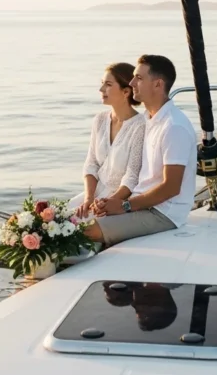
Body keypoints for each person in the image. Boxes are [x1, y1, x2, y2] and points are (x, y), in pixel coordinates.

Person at [85, 54, 198, 247]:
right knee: (71, 219)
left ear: (157, 84)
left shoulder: (173, 126)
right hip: (142, 203)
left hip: (163, 213)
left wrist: (125, 206)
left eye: (138, 78)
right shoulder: (149, 119)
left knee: (87, 230)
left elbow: (171, 187)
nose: (131, 82)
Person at [70, 63, 146, 217]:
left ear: (126, 91)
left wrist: (107, 204)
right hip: (93, 195)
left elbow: (132, 178)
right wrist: (88, 198)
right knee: (57, 219)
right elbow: (91, 165)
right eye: (102, 83)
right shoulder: (100, 120)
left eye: (108, 84)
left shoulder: (140, 126)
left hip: (120, 201)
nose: (101, 89)